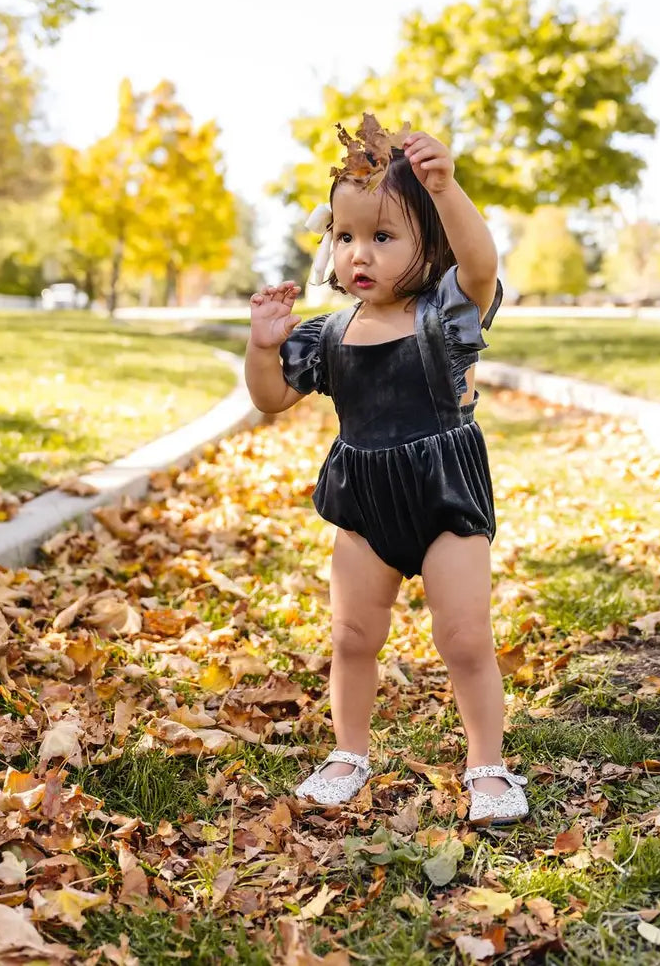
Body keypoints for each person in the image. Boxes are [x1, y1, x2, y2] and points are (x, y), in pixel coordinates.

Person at [245, 115, 528, 824]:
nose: (358, 254)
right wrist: (262, 348)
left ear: (428, 243)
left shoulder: (445, 315)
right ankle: (348, 753)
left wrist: (445, 188)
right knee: (351, 637)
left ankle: (488, 768)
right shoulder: (332, 334)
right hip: (366, 503)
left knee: (464, 638)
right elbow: (273, 399)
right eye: (344, 237)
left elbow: (482, 264)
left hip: (443, 499)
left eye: (382, 236)